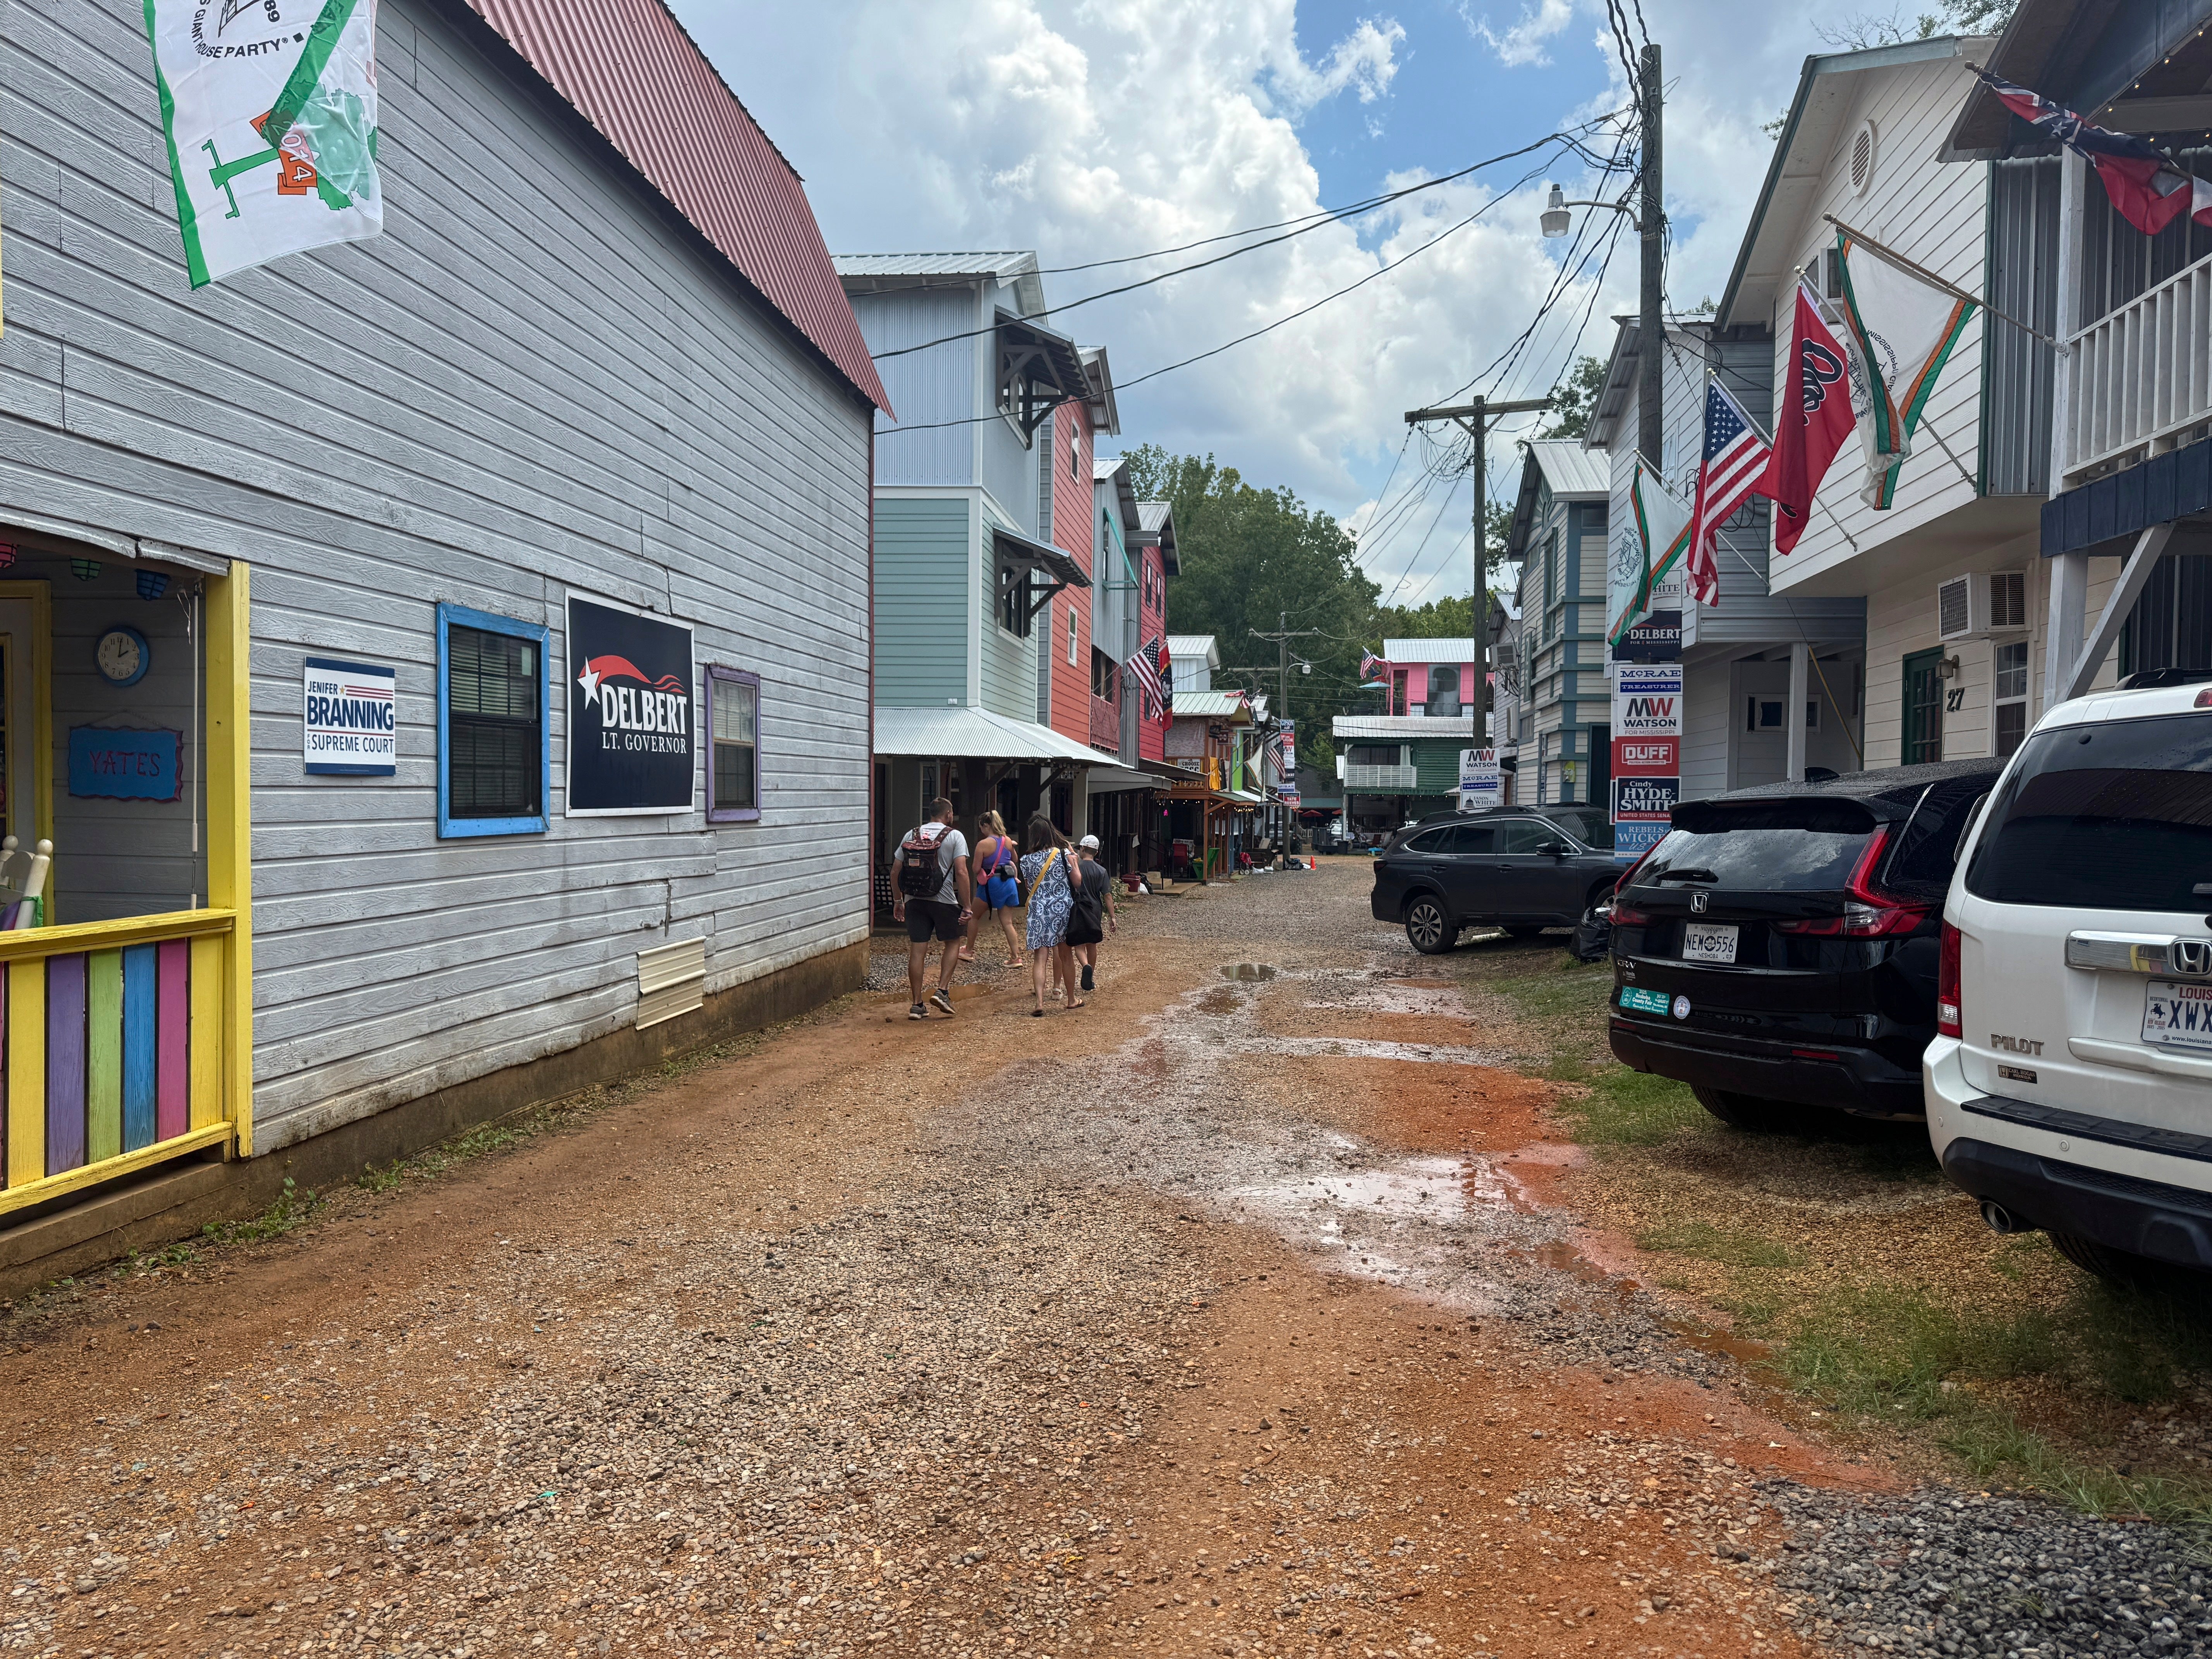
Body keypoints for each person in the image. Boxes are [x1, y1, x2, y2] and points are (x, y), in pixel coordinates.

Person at [888, 797, 971, 1020]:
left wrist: (899, 901)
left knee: (918, 951)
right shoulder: (955, 836)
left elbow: (895, 871)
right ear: (949, 815)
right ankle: (942, 991)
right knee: (953, 942)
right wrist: (968, 906)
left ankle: (917, 1005)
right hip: (943, 900)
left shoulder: (911, 835)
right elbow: (962, 873)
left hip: (914, 900)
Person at [1017, 814, 1080, 1015]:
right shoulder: (1063, 855)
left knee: (1040, 958)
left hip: (1038, 911)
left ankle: (1040, 1002)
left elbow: (1029, 887)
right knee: (1066, 956)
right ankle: (1071, 1000)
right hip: (1062, 909)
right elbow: (1078, 882)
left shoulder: (1026, 860)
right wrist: (1075, 862)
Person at [967, 811, 1026, 969]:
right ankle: (1016, 957)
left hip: (992, 884)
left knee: (974, 916)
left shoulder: (983, 844)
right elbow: (1014, 859)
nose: (981, 830)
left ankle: (969, 950)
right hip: (1009, 883)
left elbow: (975, 868)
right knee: (1007, 922)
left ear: (986, 825)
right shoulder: (1008, 841)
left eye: (982, 827)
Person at [1071, 833, 1118, 993]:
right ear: (1096, 853)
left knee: (1079, 944)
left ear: (1083, 849)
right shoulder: (1102, 871)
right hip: (1095, 909)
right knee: (1092, 943)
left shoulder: (1076, 867)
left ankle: (1086, 966)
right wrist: (1112, 917)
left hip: (1079, 907)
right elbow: (1107, 895)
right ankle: (1090, 978)